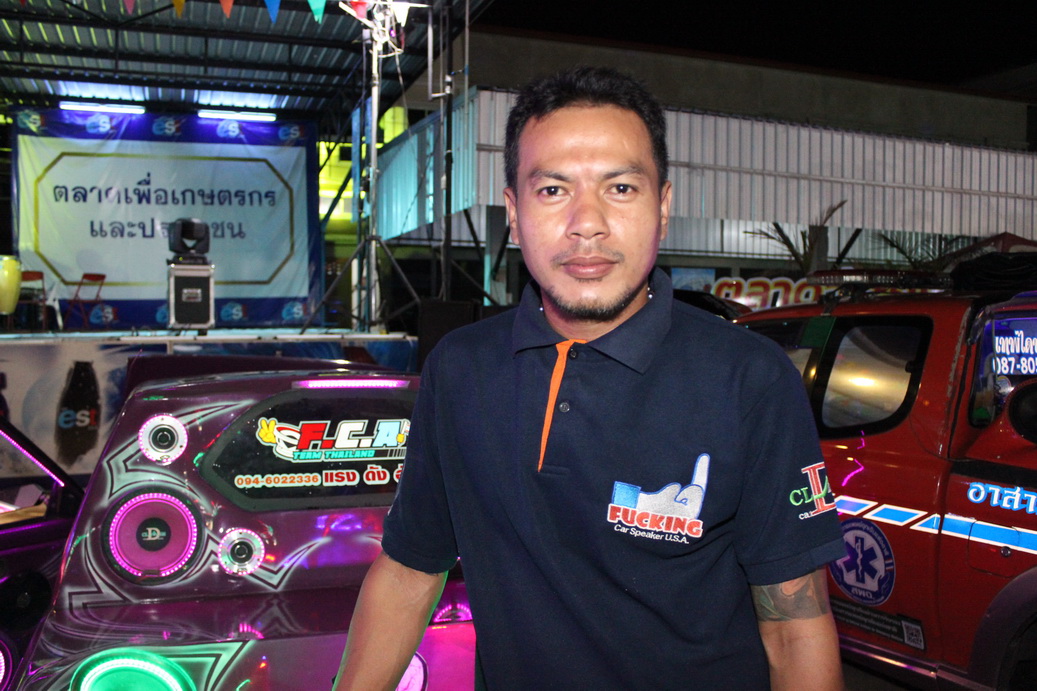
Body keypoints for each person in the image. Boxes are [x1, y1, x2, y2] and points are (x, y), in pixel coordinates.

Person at [334, 65, 846, 690]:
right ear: (514, 213)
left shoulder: (750, 380)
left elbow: (795, 627)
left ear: (663, 207)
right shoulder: (460, 368)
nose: (588, 223)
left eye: (621, 188)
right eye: (553, 190)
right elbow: (409, 570)